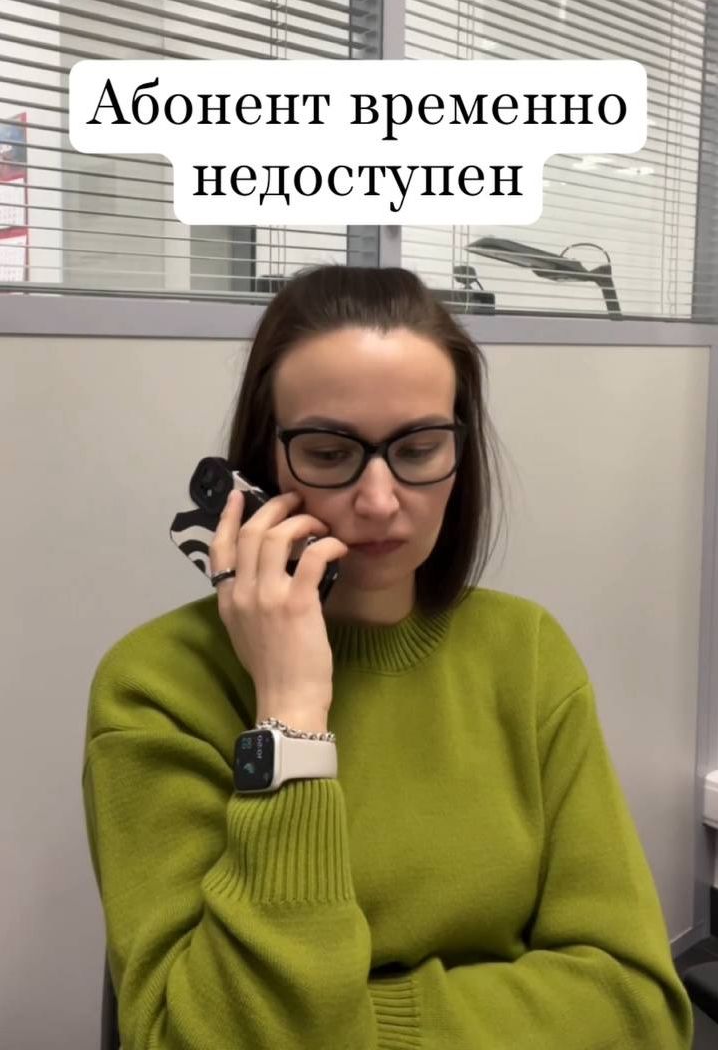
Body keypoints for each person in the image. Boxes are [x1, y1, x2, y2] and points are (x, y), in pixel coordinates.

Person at [82, 264, 694, 1050]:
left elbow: (638, 1005)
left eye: (420, 447)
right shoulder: (155, 686)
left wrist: (354, 1029)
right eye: (328, 452)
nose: (378, 500)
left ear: (460, 456)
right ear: (262, 463)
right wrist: (290, 718)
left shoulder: (527, 653)